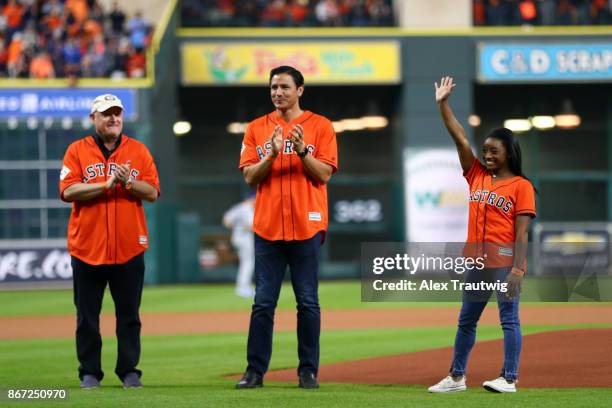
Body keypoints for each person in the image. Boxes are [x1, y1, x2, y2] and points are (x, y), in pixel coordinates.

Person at [428, 77, 536, 393]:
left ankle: (509, 378)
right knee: (466, 321)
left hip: (503, 261)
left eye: (494, 151)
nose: (487, 155)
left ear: (509, 153)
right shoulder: (476, 176)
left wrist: (518, 268)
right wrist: (442, 104)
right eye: (486, 150)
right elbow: (461, 140)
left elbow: (522, 232)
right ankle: (457, 377)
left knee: (508, 320)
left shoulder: (521, 186)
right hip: (477, 260)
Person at [235, 65, 338, 389]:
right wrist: (272, 155)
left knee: (307, 301)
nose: (278, 92)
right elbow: (250, 176)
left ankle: (308, 370)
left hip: (305, 226)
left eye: (284, 87)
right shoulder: (256, 128)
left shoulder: (320, 126)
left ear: (300, 90)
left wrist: (302, 150)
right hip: (268, 227)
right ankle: (254, 372)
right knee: (263, 302)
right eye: (273, 87)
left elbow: (324, 174)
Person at [59, 94, 160, 389]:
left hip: (128, 248)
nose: (113, 118)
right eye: (106, 114)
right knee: (87, 316)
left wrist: (128, 182)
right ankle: (89, 371)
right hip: (87, 248)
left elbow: (152, 192)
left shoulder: (138, 151)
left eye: (117, 113)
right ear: (94, 118)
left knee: (129, 316)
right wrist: (105, 186)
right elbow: (68, 190)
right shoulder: (77, 150)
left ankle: (129, 370)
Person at [223, 192, 256, 298]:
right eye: (255, 199)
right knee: (248, 262)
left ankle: (244, 286)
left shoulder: (239, 207)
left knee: (245, 262)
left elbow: (226, 220)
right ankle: (242, 288)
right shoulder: (247, 208)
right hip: (245, 237)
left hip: (237, 236)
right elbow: (251, 226)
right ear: (251, 199)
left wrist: (236, 227)